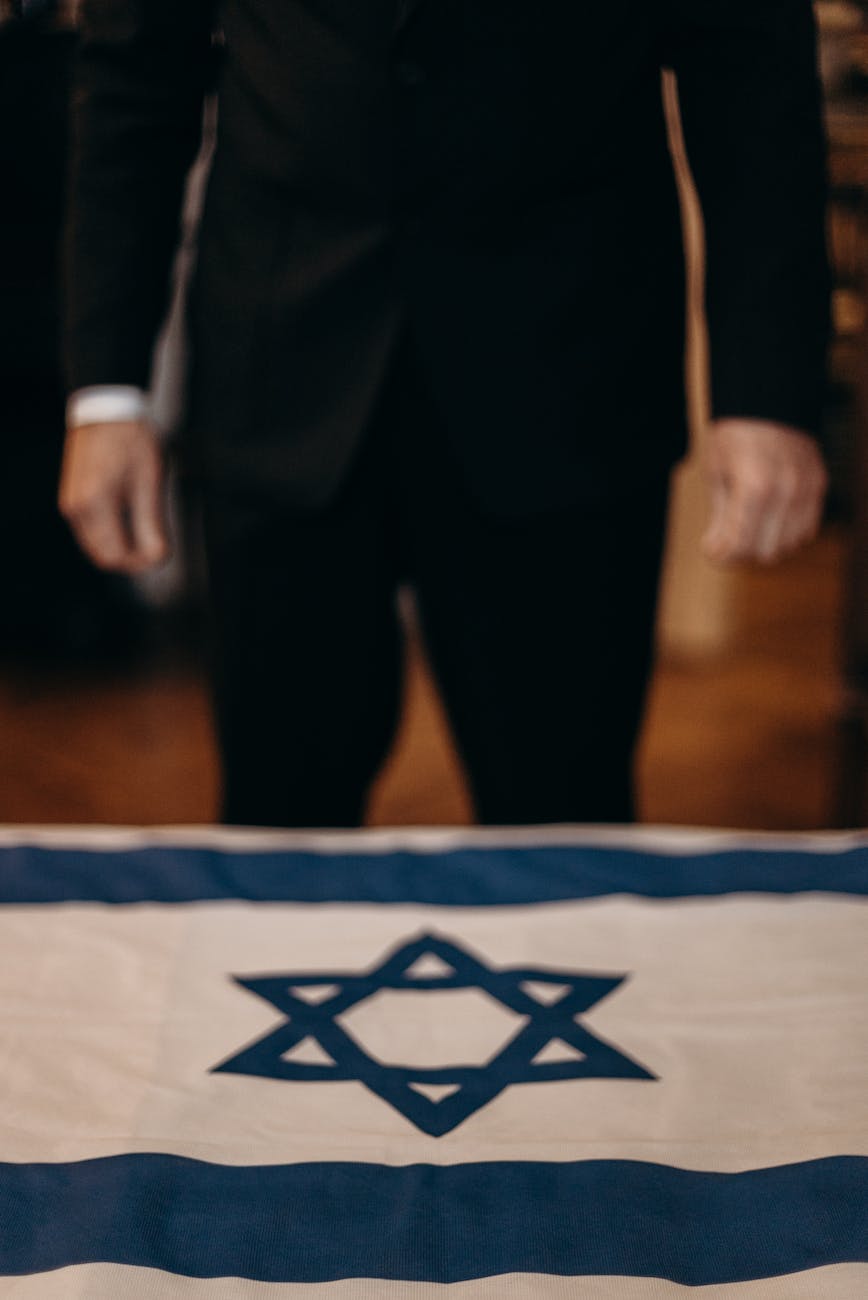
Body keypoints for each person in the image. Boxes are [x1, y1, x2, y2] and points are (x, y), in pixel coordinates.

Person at [59, 0, 831, 828]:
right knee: (278, 815)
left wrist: (766, 394)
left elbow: (751, 74)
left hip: (569, 363)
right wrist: (108, 393)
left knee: (563, 815)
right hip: (277, 357)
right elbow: (136, 78)